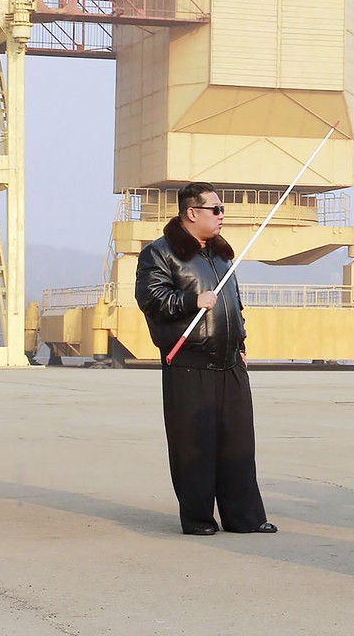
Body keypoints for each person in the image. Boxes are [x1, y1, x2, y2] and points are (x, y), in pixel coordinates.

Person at [134, 183, 275, 536]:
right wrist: (191, 301)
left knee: (238, 442)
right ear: (192, 213)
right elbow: (152, 299)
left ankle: (245, 517)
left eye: (221, 209)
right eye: (215, 209)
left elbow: (233, 302)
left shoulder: (222, 255)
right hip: (189, 363)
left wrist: (240, 341)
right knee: (194, 444)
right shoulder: (160, 253)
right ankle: (198, 518)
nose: (222, 215)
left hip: (230, 363)